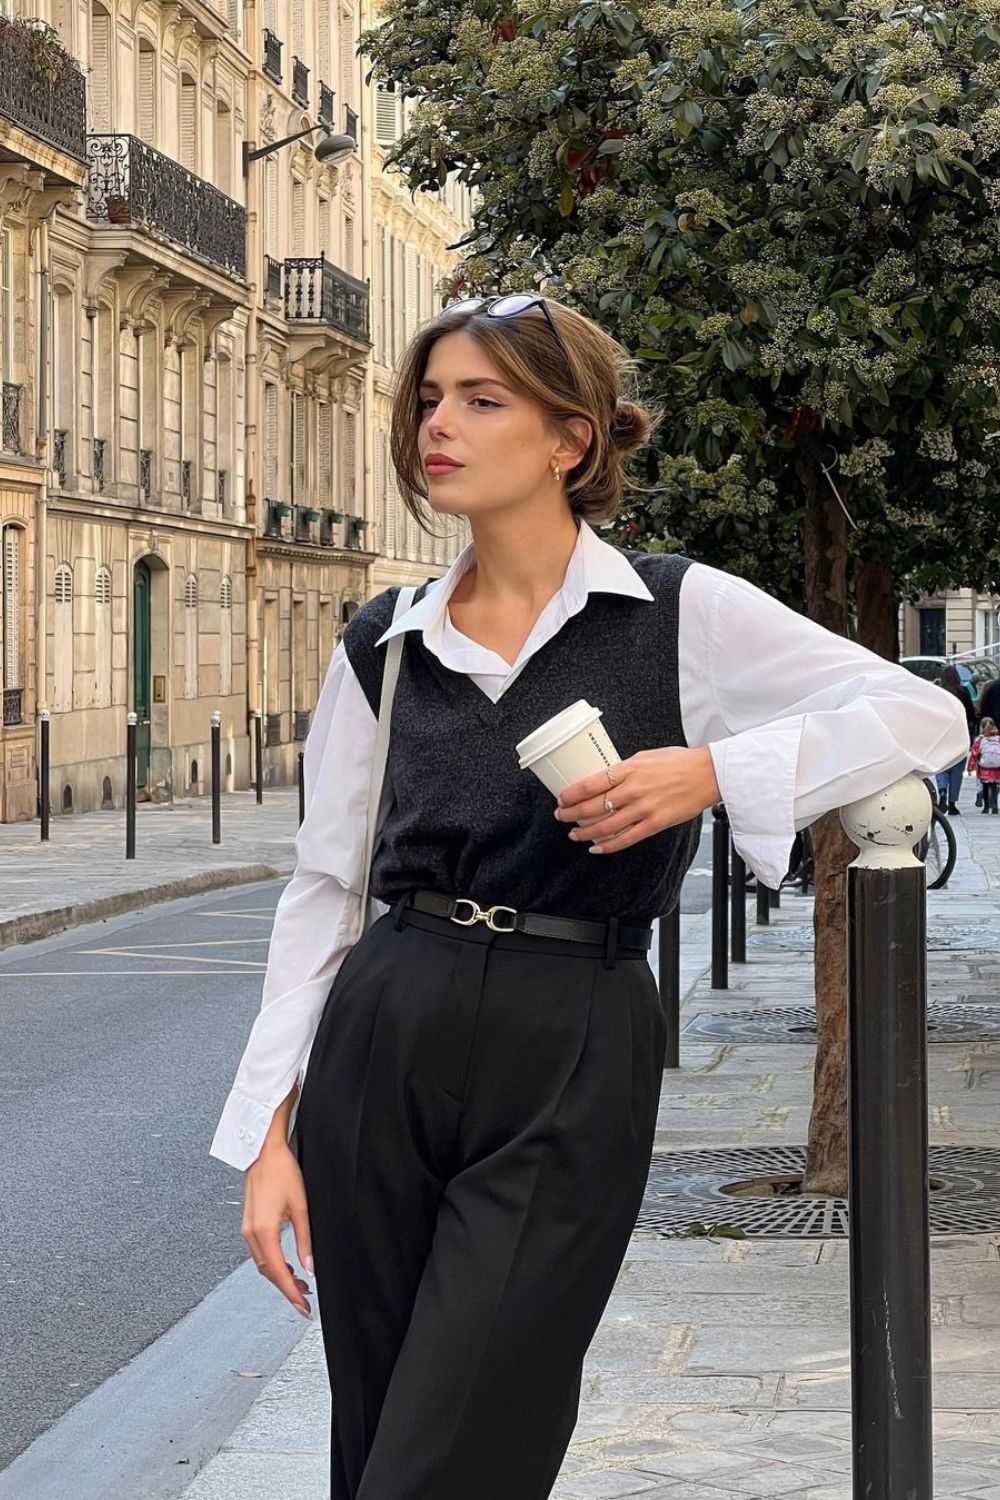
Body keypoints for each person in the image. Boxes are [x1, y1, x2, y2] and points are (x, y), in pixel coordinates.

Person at [209, 293, 969, 1500]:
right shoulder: (385, 641)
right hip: (387, 1024)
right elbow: (324, 893)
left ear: (570, 440)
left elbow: (923, 713)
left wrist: (714, 771)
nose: (434, 426)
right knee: (377, 1432)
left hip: (575, 1024)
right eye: (427, 400)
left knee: (460, 1436)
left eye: (479, 399)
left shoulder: (679, 611)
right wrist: (266, 1136)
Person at [936, 664, 977, 814]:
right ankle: (952, 803)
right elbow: (971, 714)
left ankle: (941, 789)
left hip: (941, 735)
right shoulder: (963, 691)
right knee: (956, 771)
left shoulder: (938, 692)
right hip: (959, 735)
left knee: (941, 766)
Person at [968, 716, 1000, 813]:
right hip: (996, 768)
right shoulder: (998, 739)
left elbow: (974, 755)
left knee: (985, 788)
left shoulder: (980, 740)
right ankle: (995, 806)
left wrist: (970, 768)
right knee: (994, 787)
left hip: (984, 768)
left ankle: (986, 807)